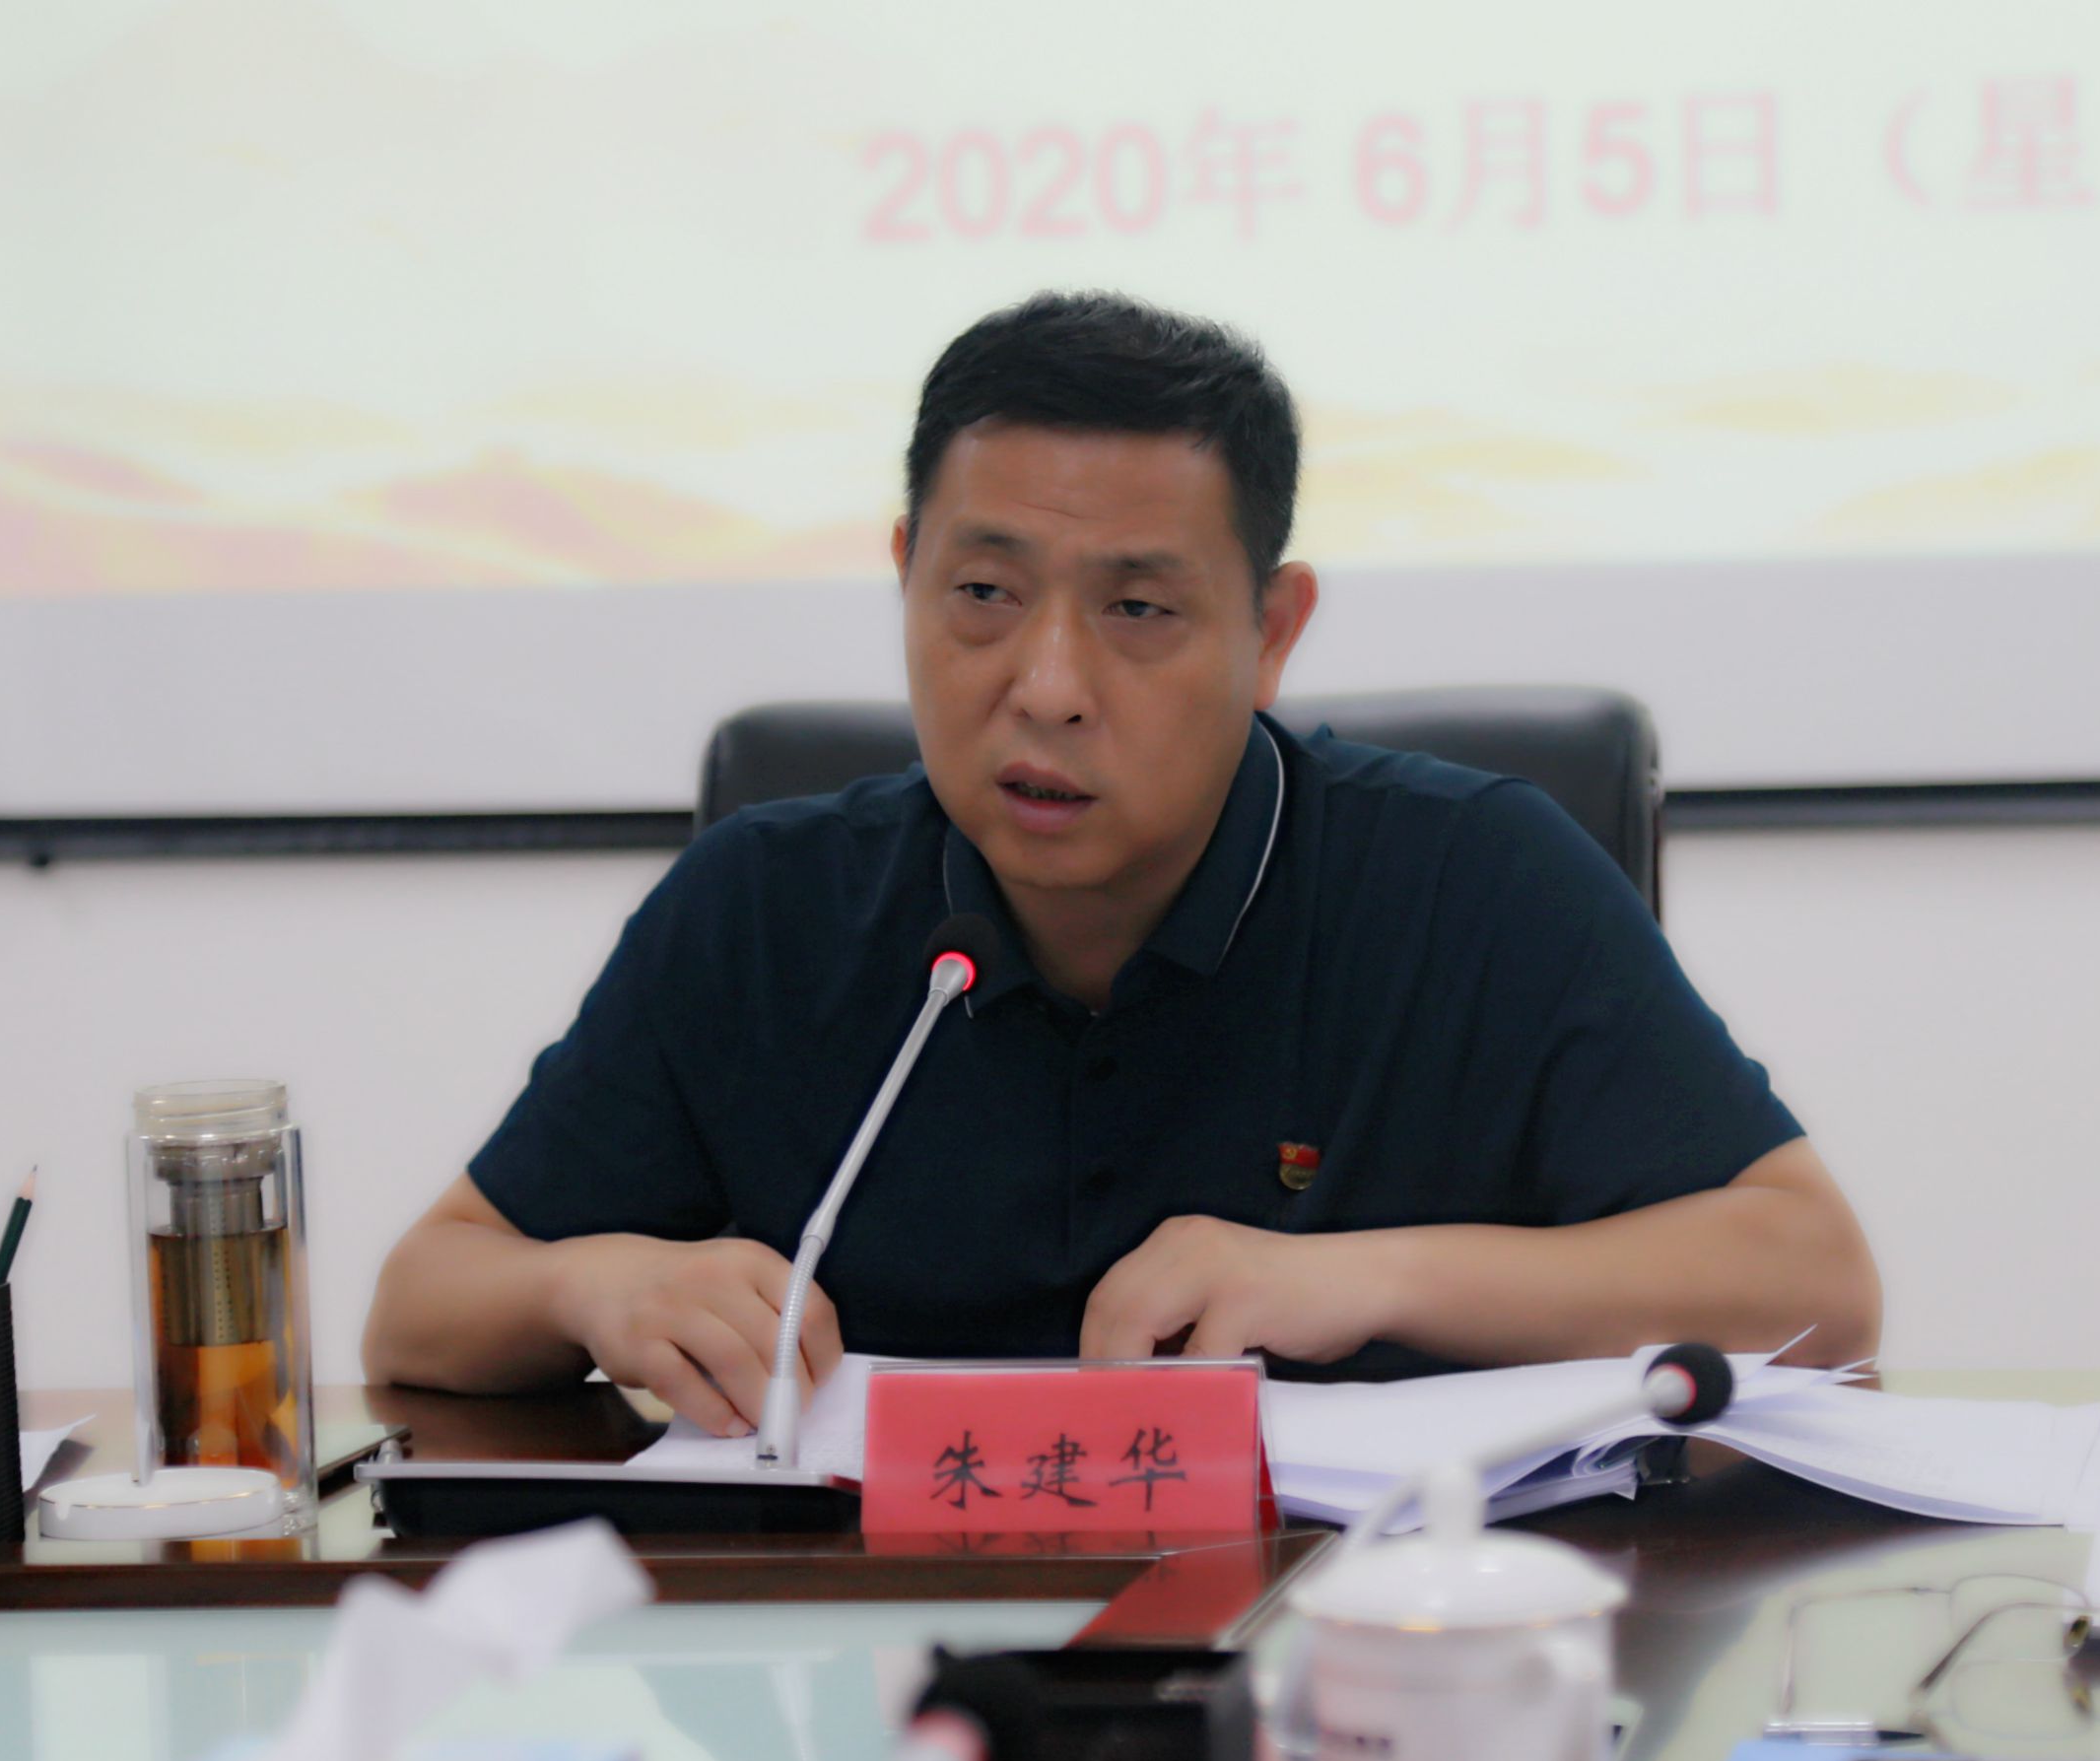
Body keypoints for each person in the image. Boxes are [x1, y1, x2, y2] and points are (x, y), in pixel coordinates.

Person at [364, 292, 1880, 1435]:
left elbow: (1816, 1282)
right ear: (905, 575)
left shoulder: (1472, 880)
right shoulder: (762, 909)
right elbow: (422, 1305)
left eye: (1139, 611)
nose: (1048, 686)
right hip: (876, 1671)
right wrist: (597, 1286)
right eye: (982, 592)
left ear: (1271, 632)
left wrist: (1370, 1276)